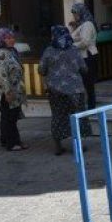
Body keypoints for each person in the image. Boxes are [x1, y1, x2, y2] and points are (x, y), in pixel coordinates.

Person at [39, 25, 92, 155]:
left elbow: (41, 70)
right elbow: (84, 69)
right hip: (75, 91)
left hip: (55, 91)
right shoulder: (74, 50)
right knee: (76, 117)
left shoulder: (49, 51)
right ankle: (77, 146)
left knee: (58, 116)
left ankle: (58, 146)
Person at [0, 28, 27, 151]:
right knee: (10, 116)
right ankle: (13, 143)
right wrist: (7, 92)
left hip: (12, 88)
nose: (11, 40)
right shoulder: (0, 54)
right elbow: (1, 75)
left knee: (7, 116)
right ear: (1, 39)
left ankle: (6, 140)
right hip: (5, 90)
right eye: (7, 38)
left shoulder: (10, 51)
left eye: (12, 37)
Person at [70, 3, 99, 109]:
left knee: (88, 83)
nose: (74, 16)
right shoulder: (82, 24)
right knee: (85, 82)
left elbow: (85, 42)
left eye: (76, 13)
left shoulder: (87, 24)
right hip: (84, 56)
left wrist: (71, 45)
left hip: (88, 56)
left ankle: (91, 106)